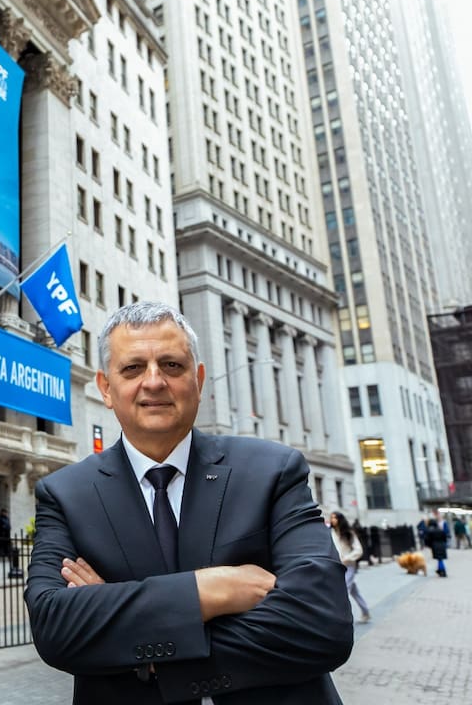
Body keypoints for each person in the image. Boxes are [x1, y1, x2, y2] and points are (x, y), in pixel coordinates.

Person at [25, 301, 352, 704]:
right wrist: (208, 591)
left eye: (172, 366)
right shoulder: (64, 494)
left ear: (198, 379)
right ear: (105, 388)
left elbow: (323, 624)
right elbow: (55, 628)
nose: (154, 381)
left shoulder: (273, 471)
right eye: (132, 368)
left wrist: (146, 651)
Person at [330, 512, 371, 622]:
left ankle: (341, 619)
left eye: (335, 517)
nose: (332, 519)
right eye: (331, 517)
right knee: (354, 591)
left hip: (349, 567)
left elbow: (359, 550)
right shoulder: (330, 532)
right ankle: (366, 612)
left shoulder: (349, 533)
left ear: (340, 519)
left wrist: (346, 558)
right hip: (337, 567)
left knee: (343, 591)